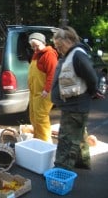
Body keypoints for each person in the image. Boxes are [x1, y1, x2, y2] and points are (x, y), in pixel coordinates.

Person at [51, 26, 105, 170]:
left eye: (59, 45)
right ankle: (82, 162)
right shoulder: (69, 55)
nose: (58, 49)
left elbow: (92, 78)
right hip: (72, 106)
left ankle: (60, 172)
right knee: (79, 135)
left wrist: (93, 92)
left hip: (75, 106)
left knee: (66, 141)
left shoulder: (78, 55)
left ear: (68, 40)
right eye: (56, 46)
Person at [27, 32, 58, 142]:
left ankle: (45, 142)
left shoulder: (49, 54)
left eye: (37, 45)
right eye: (33, 46)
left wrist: (47, 89)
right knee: (33, 117)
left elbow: (52, 73)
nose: (35, 48)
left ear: (43, 43)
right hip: (35, 92)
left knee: (41, 118)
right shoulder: (36, 54)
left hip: (44, 93)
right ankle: (37, 140)